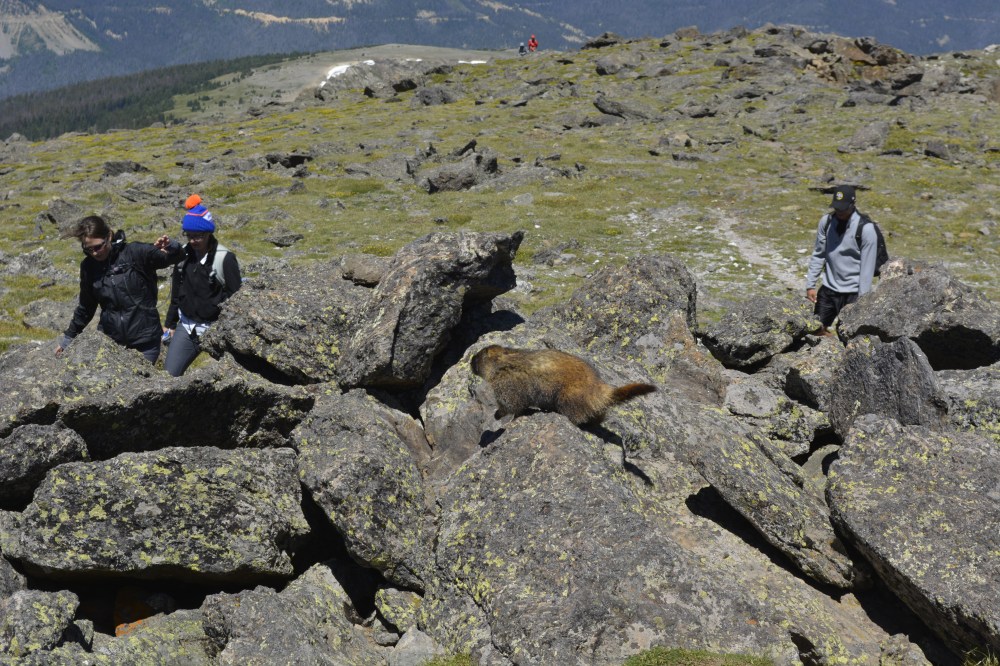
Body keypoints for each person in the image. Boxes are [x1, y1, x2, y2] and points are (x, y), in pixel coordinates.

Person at [56, 215, 183, 363]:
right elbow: (86, 307)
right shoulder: (88, 266)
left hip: (145, 343)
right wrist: (68, 339)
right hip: (111, 343)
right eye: (88, 249)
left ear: (109, 236)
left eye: (98, 247)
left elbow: (177, 256)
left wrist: (171, 246)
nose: (94, 253)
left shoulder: (136, 252)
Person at [162, 195, 241, 377]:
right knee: (168, 377)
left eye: (199, 236)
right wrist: (170, 325)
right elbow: (176, 294)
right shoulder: (183, 257)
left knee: (231, 379)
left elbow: (236, 297)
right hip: (187, 326)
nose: (193, 241)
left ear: (209, 233)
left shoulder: (225, 258)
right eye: (189, 236)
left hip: (217, 329)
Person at [805, 185, 878, 336]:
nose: (839, 212)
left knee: (851, 337)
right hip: (828, 290)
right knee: (815, 331)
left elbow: (867, 268)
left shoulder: (867, 229)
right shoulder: (826, 222)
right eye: (837, 208)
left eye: (843, 209)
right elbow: (819, 254)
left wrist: (862, 301)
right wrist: (810, 284)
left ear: (853, 204)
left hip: (853, 294)